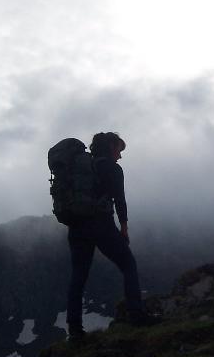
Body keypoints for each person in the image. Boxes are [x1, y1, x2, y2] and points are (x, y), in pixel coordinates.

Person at [65, 132, 160, 341]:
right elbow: (120, 200)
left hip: (76, 226)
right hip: (101, 224)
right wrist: (124, 228)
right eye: (119, 150)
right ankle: (136, 315)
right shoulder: (112, 169)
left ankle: (74, 330)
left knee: (78, 277)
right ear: (110, 147)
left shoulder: (81, 168)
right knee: (128, 265)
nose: (120, 156)